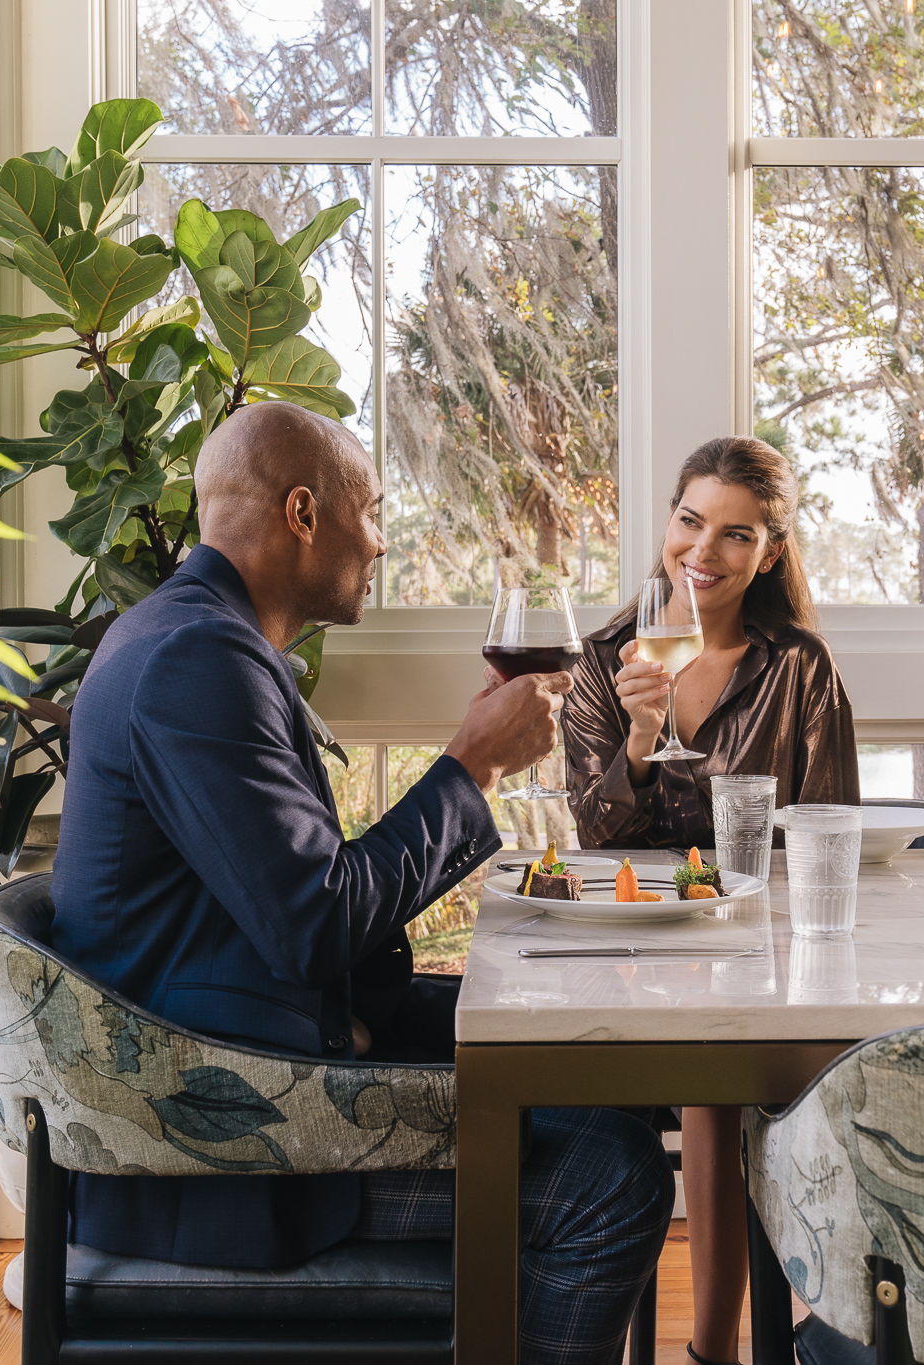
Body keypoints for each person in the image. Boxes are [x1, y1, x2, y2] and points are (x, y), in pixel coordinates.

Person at [50, 401, 673, 1365]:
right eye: (372, 512)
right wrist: (468, 768)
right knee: (613, 1176)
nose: (380, 542)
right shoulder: (196, 660)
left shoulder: (196, 637)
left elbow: (295, 902)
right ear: (304, 513)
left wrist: (475, 768)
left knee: (601, 1085)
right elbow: (317, 921)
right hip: (231, 1150)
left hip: (268, 1057)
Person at [561, 435, 858, 1365]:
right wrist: (641, 738)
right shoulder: (606, 659)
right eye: (691, 522)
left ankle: (759, 1338)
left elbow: (829, 836)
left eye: (736, 536)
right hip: (633, 957)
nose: (704, 552)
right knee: (706, 1063)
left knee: (725, 1061)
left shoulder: (800, 667)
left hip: (768, 961)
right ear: (668, 521)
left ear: (769, 552)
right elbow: (593, 846)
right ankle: (716, 1353)